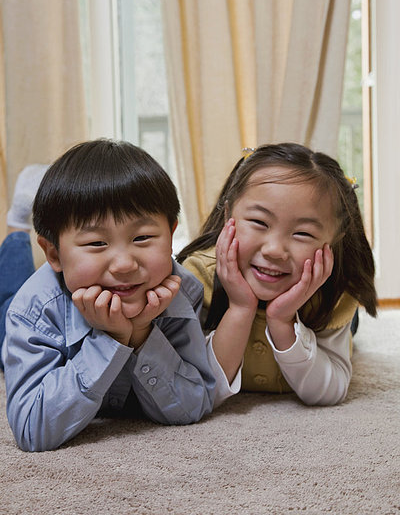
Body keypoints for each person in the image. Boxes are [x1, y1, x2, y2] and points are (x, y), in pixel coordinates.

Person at [1, 139, 215, 452]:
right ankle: (16, 229)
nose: (125, 264)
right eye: (97, 244)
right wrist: (111, 339)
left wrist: (141, 335)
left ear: (171, 236)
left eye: (142, 238)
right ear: (54, 253)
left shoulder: (182, 290)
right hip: (29, 308)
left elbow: (193, 405)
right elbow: (31, 430)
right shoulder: (33, 309)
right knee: (7, 289)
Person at [178, 143, 377, 407]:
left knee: (350, 327)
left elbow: (330, 391)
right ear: (228, 216)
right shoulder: (196, 279)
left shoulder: (334, 292)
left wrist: (282, 321)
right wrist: (240, 308)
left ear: (334, 241)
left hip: (315, 303)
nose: (274, 250)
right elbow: (197, 390)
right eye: (259, 223)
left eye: (302, 234)